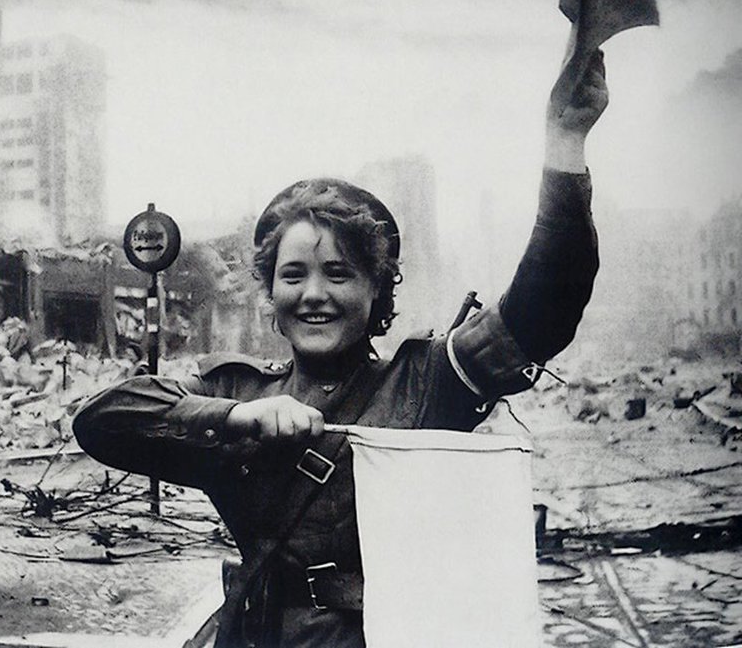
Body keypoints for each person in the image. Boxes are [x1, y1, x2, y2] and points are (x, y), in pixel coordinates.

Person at [73, 52, 608, 648]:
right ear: (270, 291)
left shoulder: (428, 381)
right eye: (293, 274)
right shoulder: (235, 391)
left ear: (377, 290)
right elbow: (102, 421)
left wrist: (565, 144)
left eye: (339, 273)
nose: (314, 295)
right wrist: (236, 418)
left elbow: (544, 307)